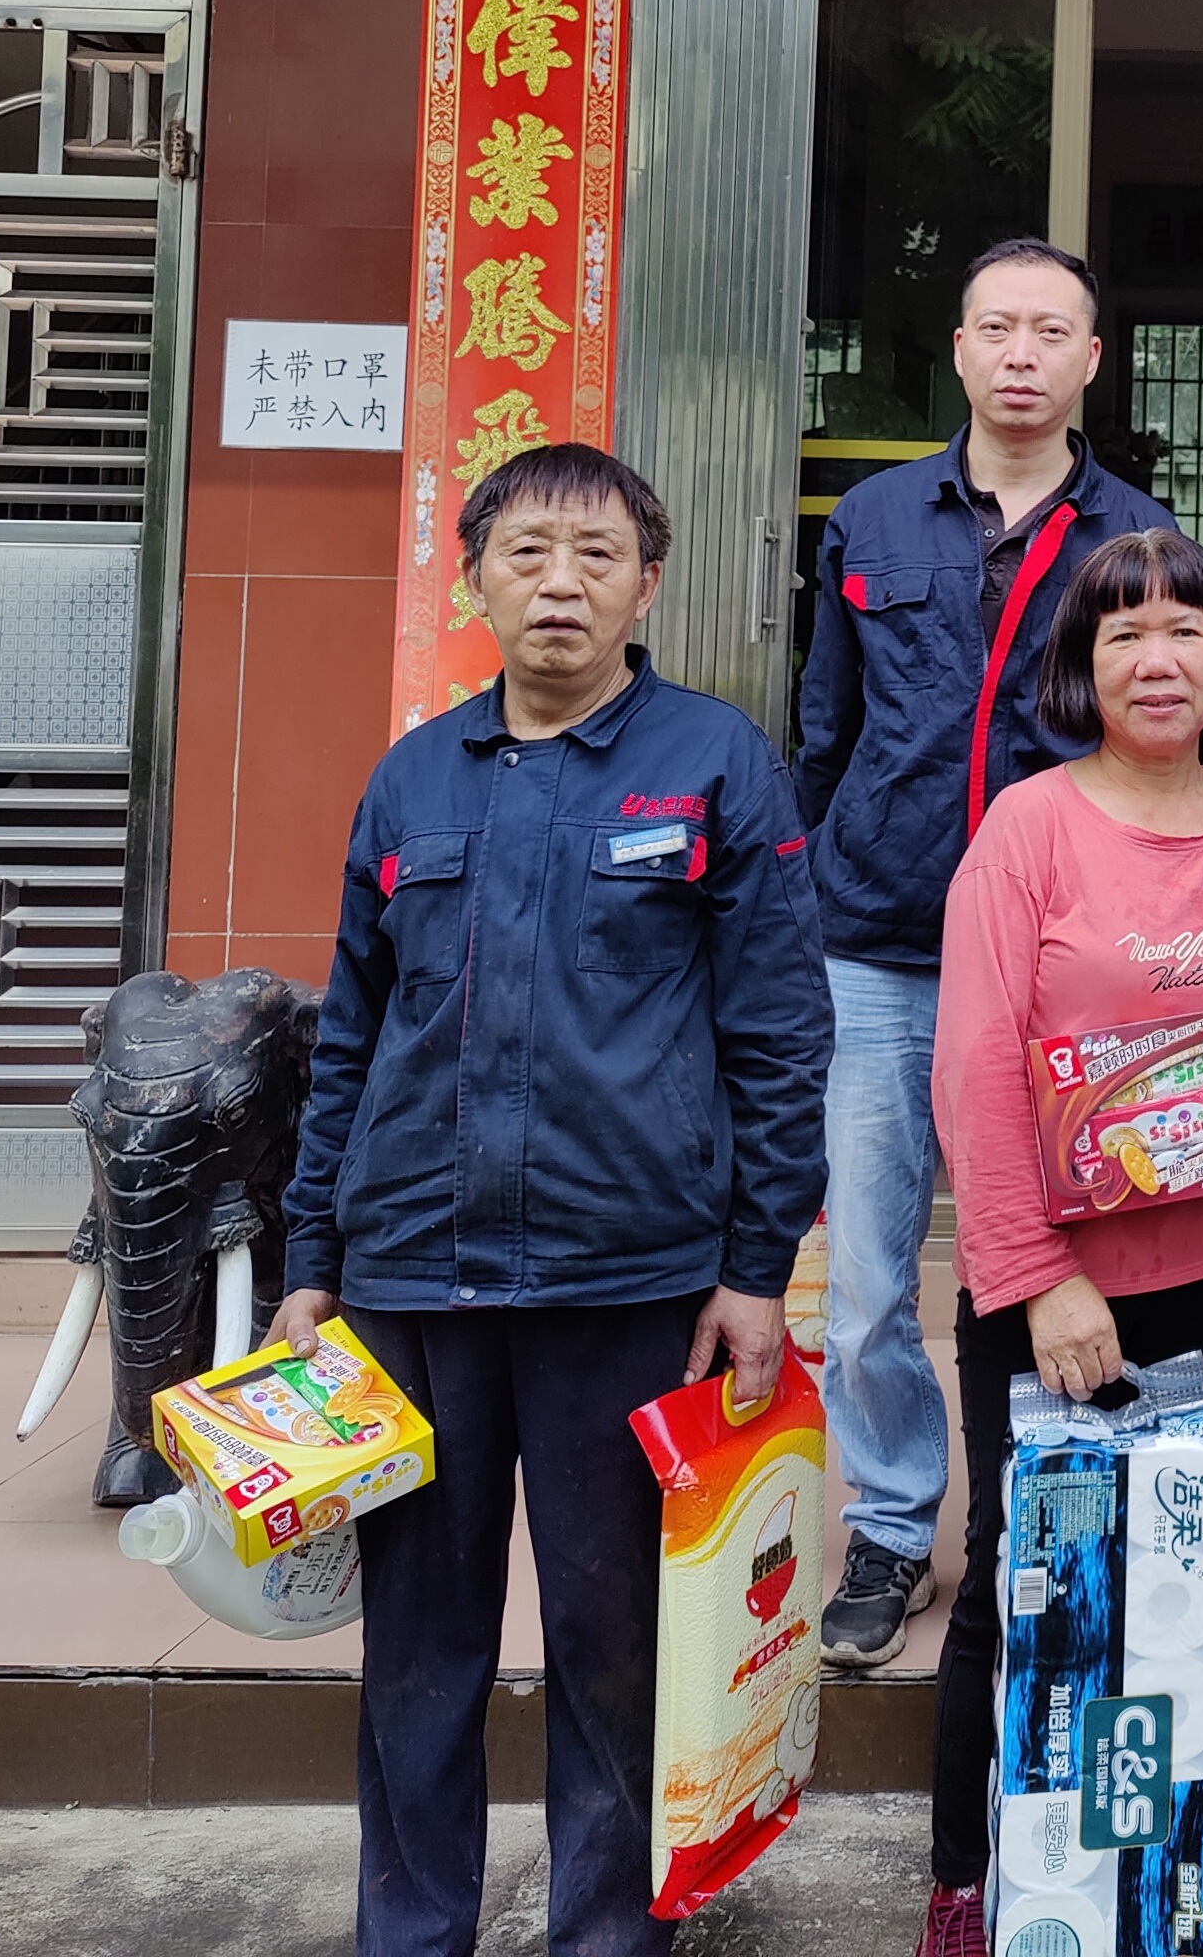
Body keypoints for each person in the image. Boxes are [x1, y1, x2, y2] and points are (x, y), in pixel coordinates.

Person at [274, 443, 832, 1957]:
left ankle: (606, 1935)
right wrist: (311, 1257)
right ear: (473, 581)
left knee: (614, 1641)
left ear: (647, 586)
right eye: (526, 553)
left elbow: (781, 1034)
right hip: (413, 1281)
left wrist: (757, 1269)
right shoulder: (412, 779)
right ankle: (411, 1934)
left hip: (628, 1280)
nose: (561, 585)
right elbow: (351, 1035)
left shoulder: (717, 763)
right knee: (418, 1648)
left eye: (597, 556)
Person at [924, 525, 1203, 1957]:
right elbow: (975, 1063)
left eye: (1185, 631)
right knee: (1021, 1572)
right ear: (1080, 667)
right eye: (1123, 635)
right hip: (1056, 1283)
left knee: (1170, 1561)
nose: (1157, 660)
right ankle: (970, 1879)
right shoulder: (1028, 829)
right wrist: (1039, 1280)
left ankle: (1139, 1868)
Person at [798, 238, 1178, 1672]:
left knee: (1075, 1250)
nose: (1023, 355)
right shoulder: (872, 520)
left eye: (1052, 332)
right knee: (867, 1273)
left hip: (1062, 959)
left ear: (1092, 360)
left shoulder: (1136, 538)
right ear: (958, 350)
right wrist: (806, 895)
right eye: (997, 329)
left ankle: (1056, 1511)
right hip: (882, 945)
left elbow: (1160, 741)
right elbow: (824, 729)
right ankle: (892, 1523)